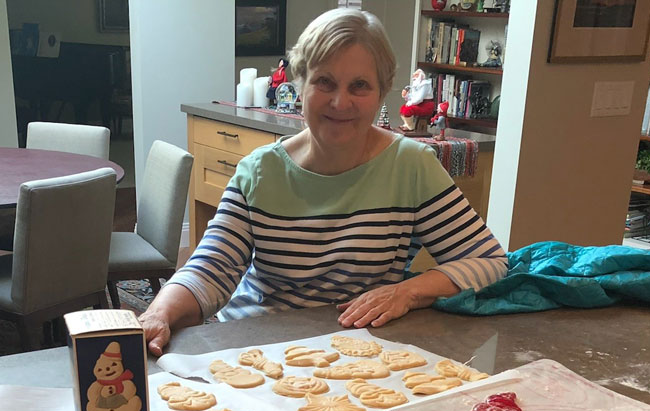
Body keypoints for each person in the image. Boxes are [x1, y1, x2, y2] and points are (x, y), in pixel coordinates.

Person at [138, 8, 507, 356]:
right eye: (324, 82)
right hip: (257, 346)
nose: (339, 101)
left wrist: (407, 292)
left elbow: (488, 261)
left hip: (362, 351)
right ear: (300, 85)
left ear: (383, 91)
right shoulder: (259, 172)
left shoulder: (411, 166)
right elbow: (211, 269)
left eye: (359, 85)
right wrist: (158, 314)